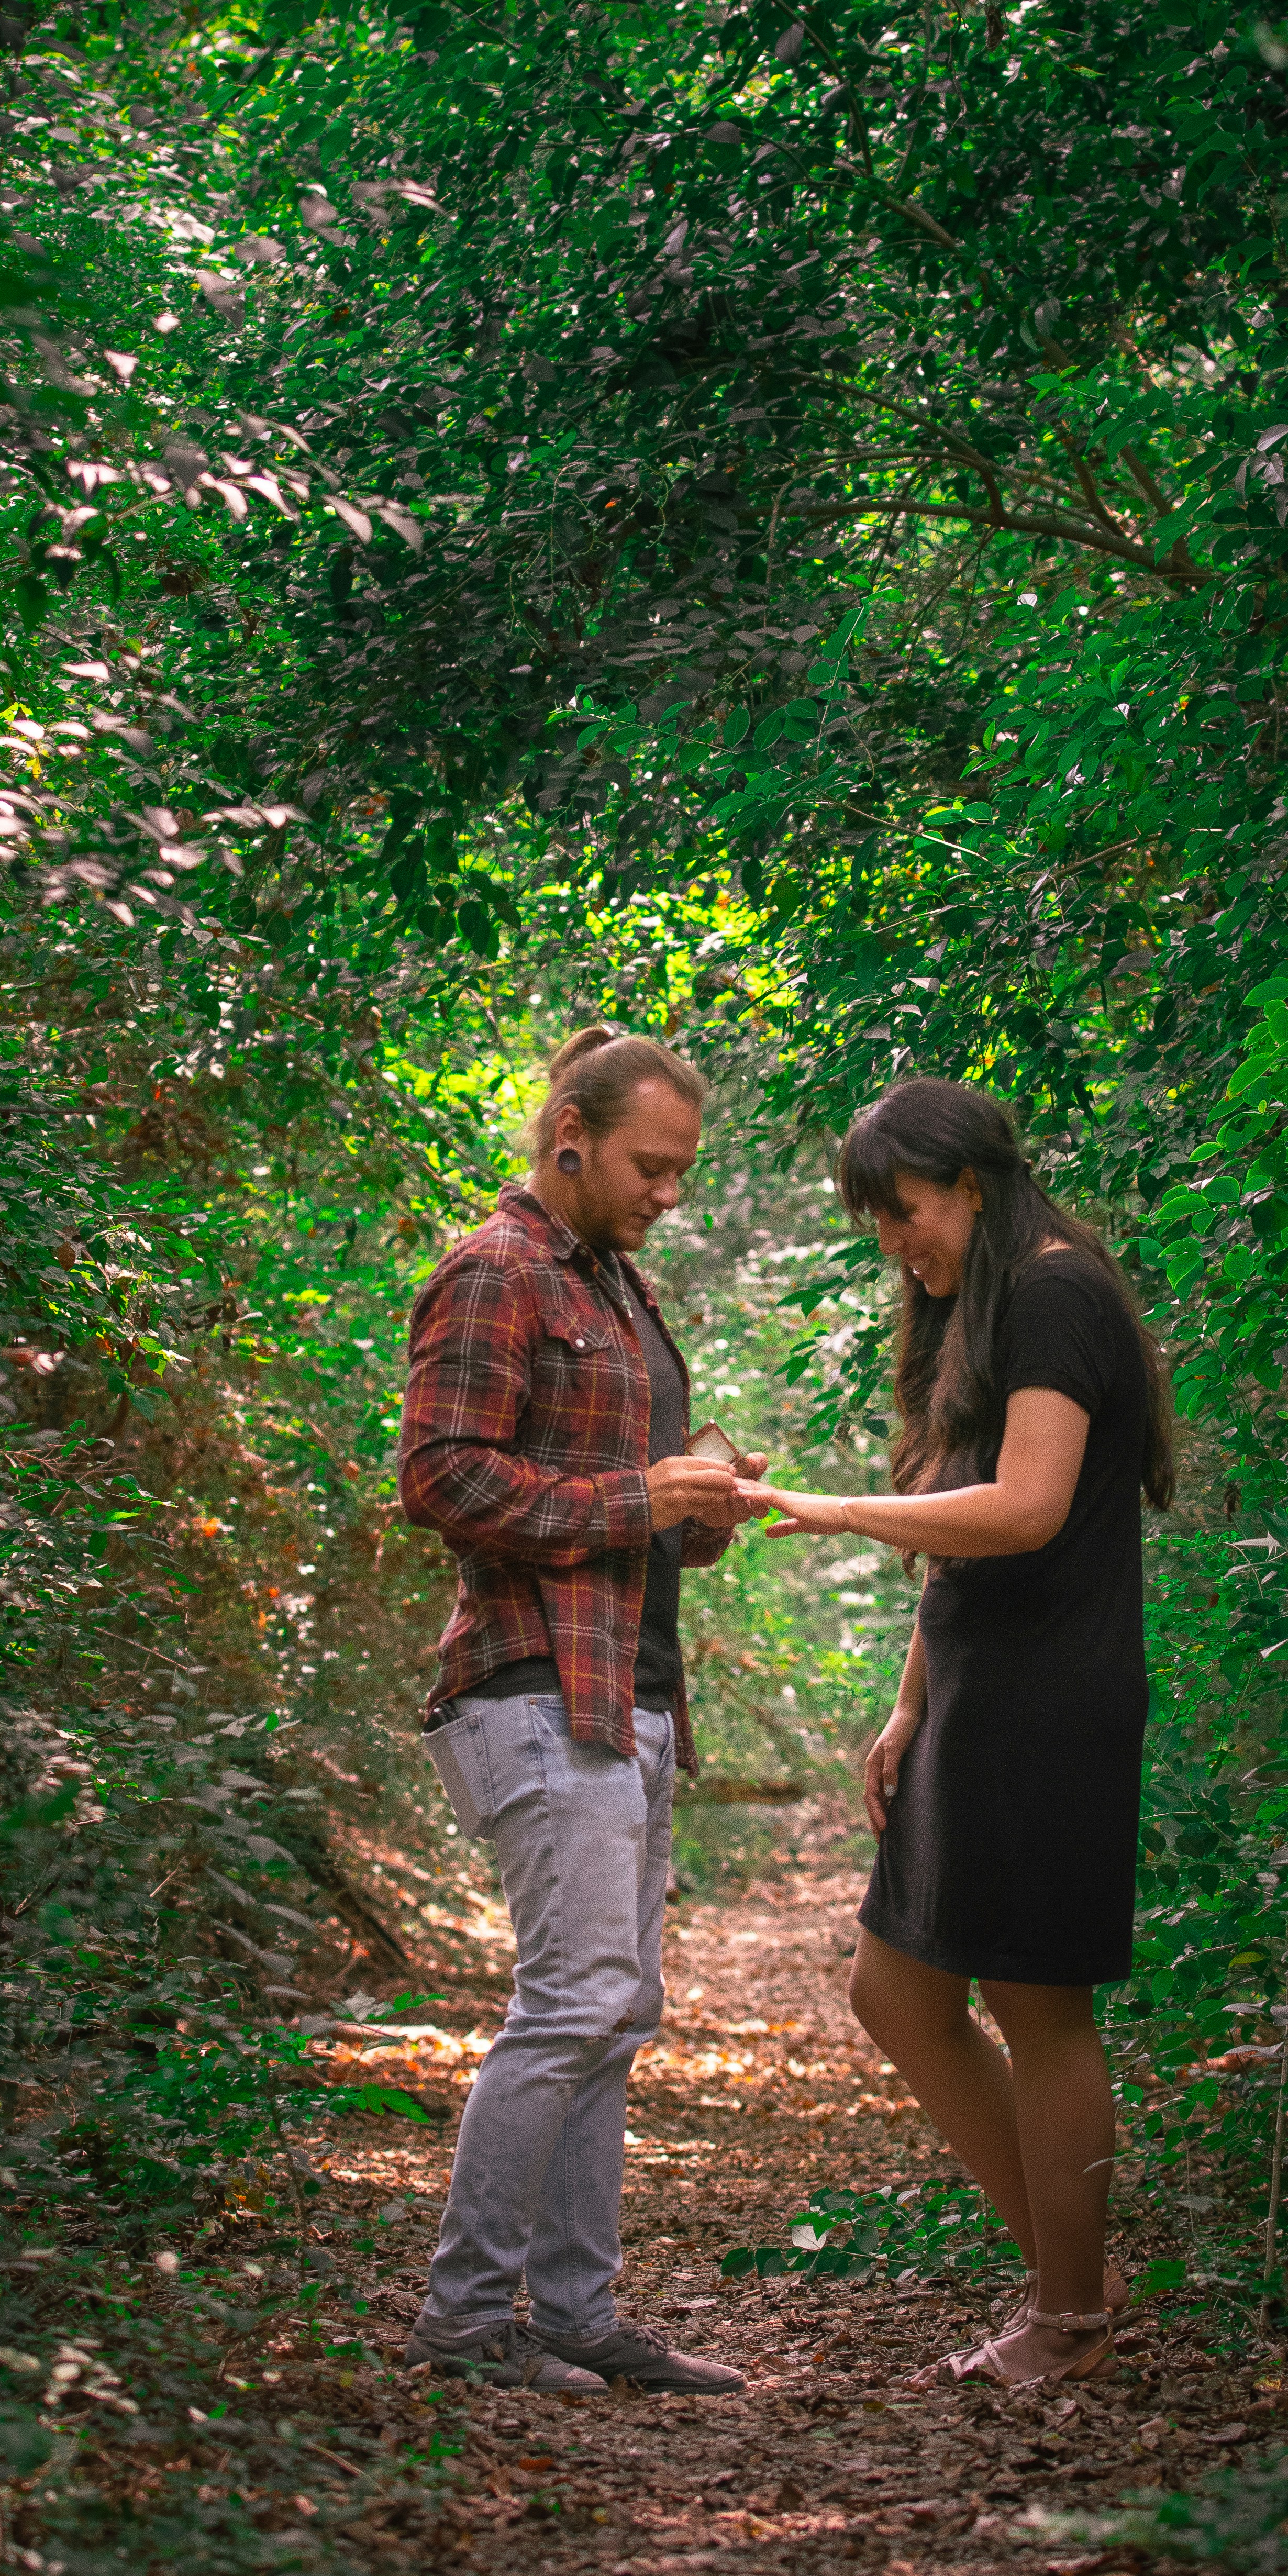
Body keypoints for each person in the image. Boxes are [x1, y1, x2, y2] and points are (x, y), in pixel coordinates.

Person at [747, 1076, 1174, 2390]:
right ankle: (1074, 2272)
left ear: (972, 1185)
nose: (898, 1244)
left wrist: (836, 1511)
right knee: (898, 1991)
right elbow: (967, 1540)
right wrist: (910, 1695)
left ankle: (1071, 2318)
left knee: (1038, 2008)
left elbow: (1028, 1508)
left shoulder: (1052, 1293)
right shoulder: (983, 1307)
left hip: (1053, 1700)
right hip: (980, 1692)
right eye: (879, 1223)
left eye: (907, 1212)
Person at [396, 1023, 766, 2395]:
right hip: (532, 1687)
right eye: (649, 1167)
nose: (668, 1194)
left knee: (614, 2013)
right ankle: (462, 2324)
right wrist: (638, 1499)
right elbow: (439, 1478)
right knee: (571, 2006)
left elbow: (635, 1506)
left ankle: (575, 2315)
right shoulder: (496, 1274)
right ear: (570, 1137)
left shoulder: (615, 1286)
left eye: (680, 1173)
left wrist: (699, 1498)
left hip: (632, 1696)